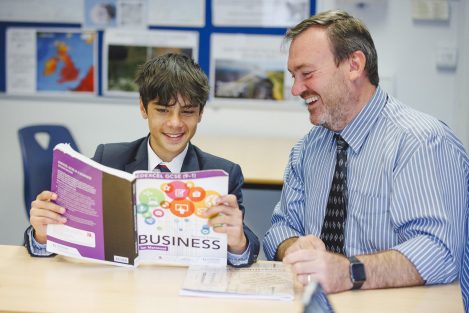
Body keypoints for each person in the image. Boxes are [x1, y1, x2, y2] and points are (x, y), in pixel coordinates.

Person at [263, 10, 469, 293]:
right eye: (293, 76)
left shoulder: (421, 142)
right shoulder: (308, 149)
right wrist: (293, 247)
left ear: (354, 65)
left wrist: (349, 272)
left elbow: (439, 251)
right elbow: (279, 229)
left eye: (306, 74)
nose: (296, 89)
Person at [24, 53, 260, 267]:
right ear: (143, 108)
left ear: (200, 114)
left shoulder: (221, 173)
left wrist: (238, 243)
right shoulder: (108, 160)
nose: (175, 123)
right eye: (163, 110)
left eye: (187, 111)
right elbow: (58, 242)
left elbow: (244, 253)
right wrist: (43, 235)